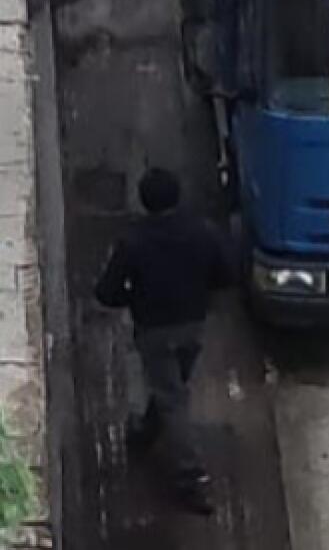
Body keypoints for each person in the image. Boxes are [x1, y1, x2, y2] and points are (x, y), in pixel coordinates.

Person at [95, 168, 234, 514]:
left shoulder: (133, 242)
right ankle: (146, 431)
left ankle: (191, 475)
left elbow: (106, 292)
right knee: (172, 385)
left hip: (154, 330)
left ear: (143, 202)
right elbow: (226, 275)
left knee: (172, 396)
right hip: (192, 326)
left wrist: (134, 298)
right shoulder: (203, 232)